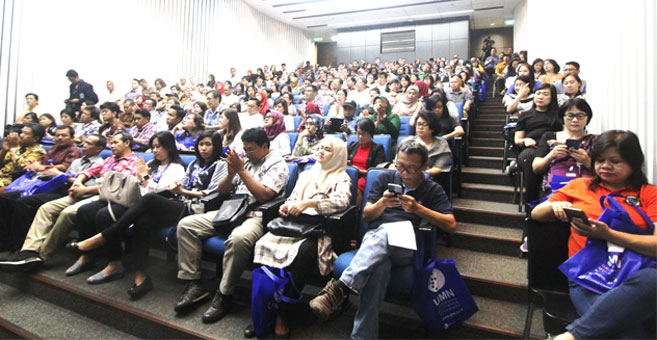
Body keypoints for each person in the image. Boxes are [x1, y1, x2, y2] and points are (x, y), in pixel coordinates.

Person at [308, 139, 456, 339]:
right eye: (400, 166)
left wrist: (417, 209)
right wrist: (382, 203)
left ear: (424, 167)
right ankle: (362, 336)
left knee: (385, 232)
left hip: (407, 245)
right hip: (376, 242)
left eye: (411, 169)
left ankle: (340, 288)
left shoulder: (432, 189)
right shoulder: (385, 178)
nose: (404, 173)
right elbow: (367, 215)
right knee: (379, 266)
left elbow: (450, 224)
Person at [67, 130, 226, 299]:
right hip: (172, 202)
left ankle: (104, 237)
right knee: (143, 221)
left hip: (195, 208)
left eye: (208, 144)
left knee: (150, 200)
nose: (203, 148)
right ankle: (140, 275)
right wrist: (172, 188)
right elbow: (159, 190)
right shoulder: (194, 164)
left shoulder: (219, 164)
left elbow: (212, 193)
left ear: (216, 146)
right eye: (201, 144)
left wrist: (160, 183)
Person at [531, 130, 656, 340]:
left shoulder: (648, 194)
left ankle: (570, 337)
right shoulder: (580, 186)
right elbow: (536, 214)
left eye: (615, 161)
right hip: (589, 277)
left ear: (633, 163)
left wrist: (609, 235)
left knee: (653, 279)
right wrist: (555, 206)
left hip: (635, 276)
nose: (605, 166)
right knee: (628, 334)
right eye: (600, 160)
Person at [173, 128, 289, 324]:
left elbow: (264, 196)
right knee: (186, 225)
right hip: (231, 209)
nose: (247, 153)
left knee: (238, 239)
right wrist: (230, 174)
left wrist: (242, 171)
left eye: (251, 150)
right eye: (245, 149)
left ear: (265, 147)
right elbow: (222, 190)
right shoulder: (244, 161)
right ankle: (194, 283)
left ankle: (224, 294)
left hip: (256, 214)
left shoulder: (278, 164)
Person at [250, 137, 351, 337]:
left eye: (327, 150)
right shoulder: (306, 174)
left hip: (318, 229)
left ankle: (283, 313)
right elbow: (293, 198)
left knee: (302, 253)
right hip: (294, 225)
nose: (321, 152)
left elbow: (342, 202)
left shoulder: (342, 177)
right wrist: (286, 207)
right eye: (320, 148)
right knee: (262, 243)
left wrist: (310, 204)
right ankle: (265, 307)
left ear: (338, 154)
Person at [0, 132, 138, 271]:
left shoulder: (133, 162)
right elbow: (89, 171)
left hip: (102, 196)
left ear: (126, 143)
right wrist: (78, 182)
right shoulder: (110, 159)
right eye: (111, 142)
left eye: (115, 143)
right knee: (46, 208)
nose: (111, 145)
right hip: (81, 191)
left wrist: (85, 190)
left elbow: (116, 187)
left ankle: (41, 256)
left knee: (67, 213)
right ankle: (28, 251)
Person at [66, 131, 186, 284]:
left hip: (161, 208)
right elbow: (139, 191)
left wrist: (146, 179)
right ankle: (89, 256)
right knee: (85, 211)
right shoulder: (149, 165)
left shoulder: (177, 168)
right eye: (153, 147)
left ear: (169, 147)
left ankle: (110, 253)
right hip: (138, 204)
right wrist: (142, 179)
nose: (155, 150)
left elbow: (161, 195)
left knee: (107, 215)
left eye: (159, 146)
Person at [0, 134, 104, 252]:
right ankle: (4, 240)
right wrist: (50, 173)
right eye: (84, 142)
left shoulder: (100, 164)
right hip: (55, 186)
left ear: (99, 148)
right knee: (6, 198)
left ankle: (18, 244)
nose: (83, 146)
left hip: (73, 194)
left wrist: (60, 175)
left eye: (88, 143)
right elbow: (64, 177)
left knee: (25, 202)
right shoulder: (77, 162)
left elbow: (88, 186)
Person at [532, 99, 596, 197]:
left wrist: (587, 161)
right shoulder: (549, 137)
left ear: (587, 118)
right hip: (555, 190)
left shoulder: (595, 140)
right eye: (570, 116)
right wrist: (551, 156)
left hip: (585, 190)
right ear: (563, 117)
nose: (575, 120)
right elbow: (536, 168)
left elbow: (605, 171)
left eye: (580, 116)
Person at [513, 84, 562, 202]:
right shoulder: (525, 115)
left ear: (552, 98)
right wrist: (524, 141)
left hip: (551, 148)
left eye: (545, 94)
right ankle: (532, 206)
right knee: (528, 158)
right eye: (538, 93)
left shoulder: (558, 115)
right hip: (532, 148)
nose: (540, 97)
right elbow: (517, 140)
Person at [398, 111, 452, 179]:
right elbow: (396, 163)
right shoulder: (406, 141)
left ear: (432, 127)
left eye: (424, 124)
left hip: (428, 179)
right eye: (418, 124)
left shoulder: (441, 145)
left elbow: (438, 168)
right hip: (403, 175)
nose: (420, 127)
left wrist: (417, 174)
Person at [347, 118, 386, 207]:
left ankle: (356, 211)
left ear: (370, 134)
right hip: (350, 174)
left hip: (365, 176)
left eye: (364, 134)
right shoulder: (352, 146)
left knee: (357, 185)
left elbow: (377, 170)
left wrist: (360, 171)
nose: (360, 137)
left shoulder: (378, 149)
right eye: (358, 133)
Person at [0, 123, 46, 190]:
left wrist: (14, 149)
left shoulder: (39, 151)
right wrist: (4, 151)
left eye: (26, 134)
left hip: (12, 181)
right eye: (22, 132)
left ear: (35, 138)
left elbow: (22, 167)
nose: (21, 135)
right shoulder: (17, 146)